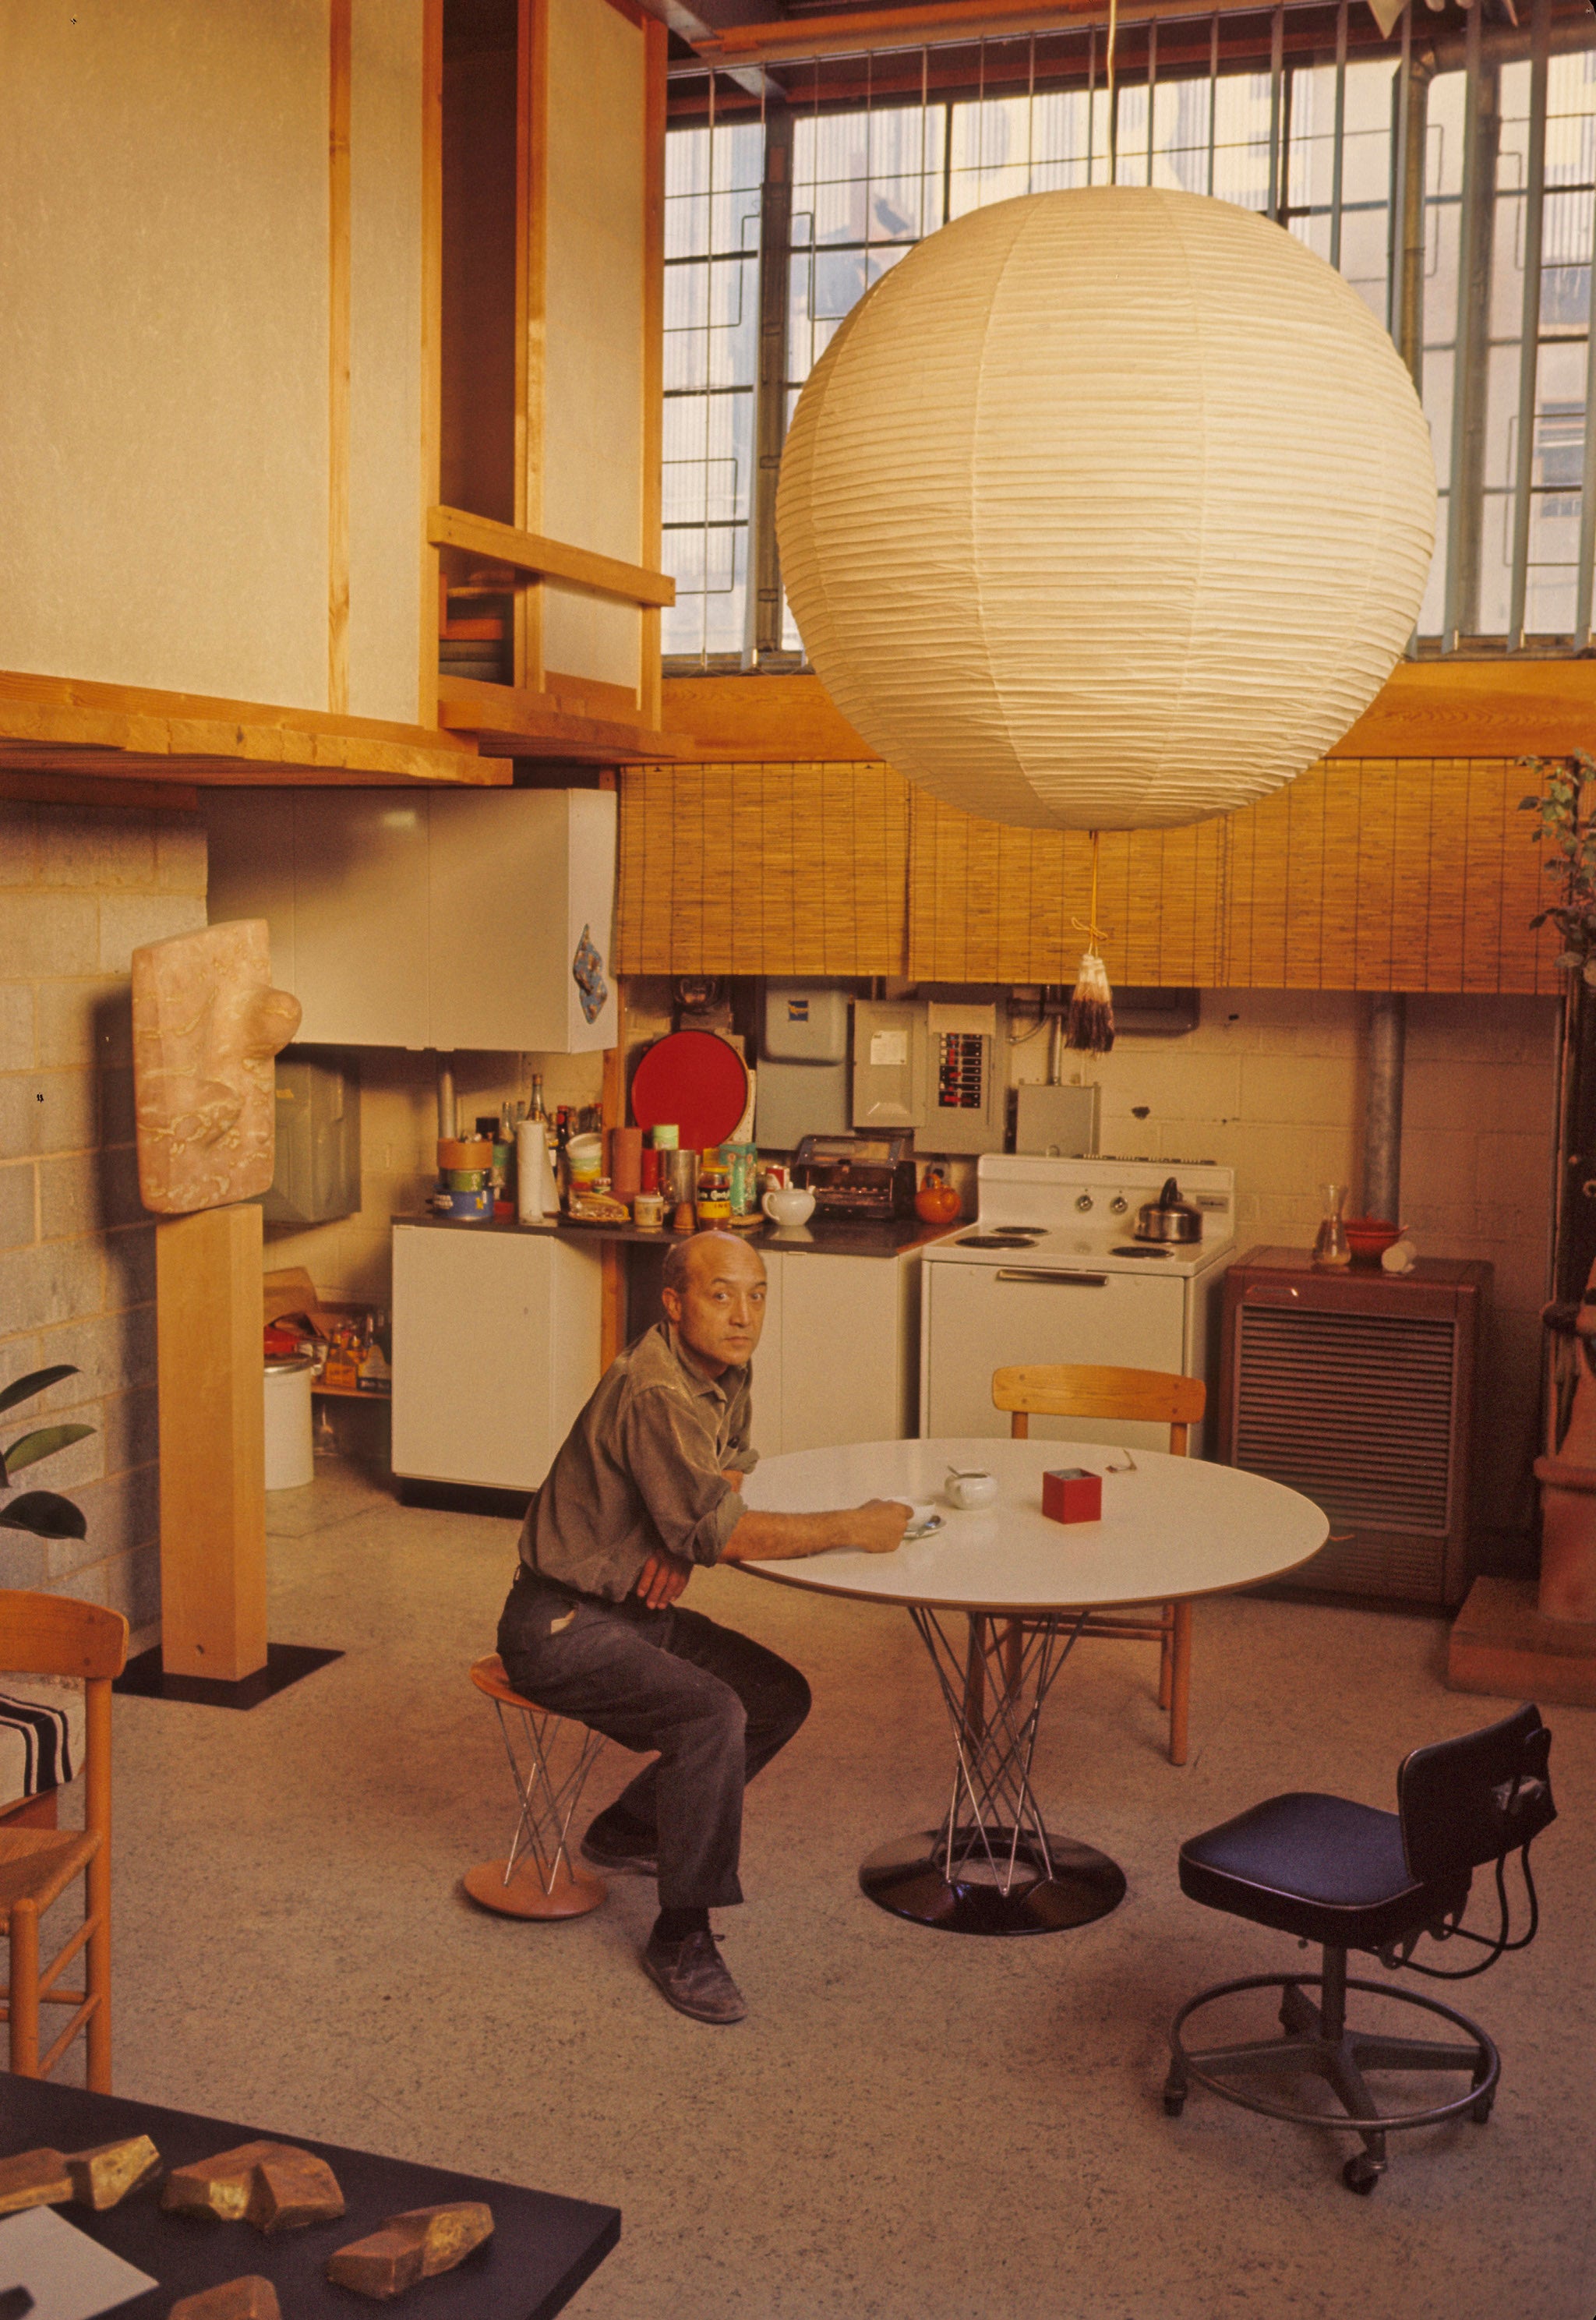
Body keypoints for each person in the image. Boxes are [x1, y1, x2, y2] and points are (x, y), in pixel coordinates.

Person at [496, 1227, 910, 2026]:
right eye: (721, 1295)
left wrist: (680, 1537)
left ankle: (629, 1828)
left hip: (633, 1606)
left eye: (756, 1295)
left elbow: (731, 1466)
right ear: (675, 1302)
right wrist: (849, 1526)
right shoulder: (655, 1389)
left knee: (774, 1694)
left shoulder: (719, 1364)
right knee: (712, 1714)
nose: (743, 1314)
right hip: (561, 1624)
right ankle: (681, 1933)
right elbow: (725, 1531)